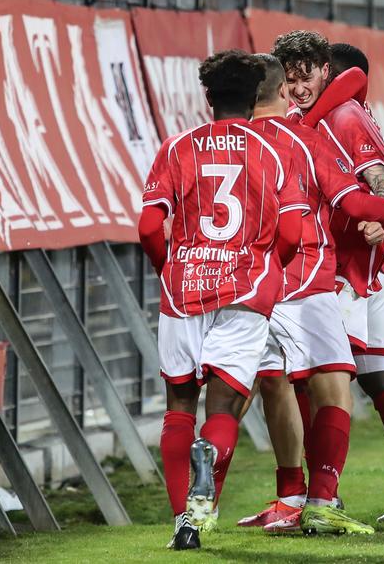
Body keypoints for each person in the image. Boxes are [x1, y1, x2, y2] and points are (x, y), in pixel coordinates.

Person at [237, 54, 384, 534]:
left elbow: (381, 181)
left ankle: (317, 497)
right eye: (290, 76)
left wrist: (383, 220)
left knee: (310, 379)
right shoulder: (324, 116)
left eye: (307, 73)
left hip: (345, 272)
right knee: (370, 376)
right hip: (354, 267)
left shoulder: (341, 116)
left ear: (328, 71)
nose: (298, 84)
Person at [139, 49, 306, 550]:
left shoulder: (176, 148)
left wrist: (168, 267)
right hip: (245, 289)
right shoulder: (276, 151)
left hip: (184, 288)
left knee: (178, 406)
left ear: (208, 97)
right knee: (224, 408)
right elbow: (294, 231)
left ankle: (183, 524)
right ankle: (208, 457)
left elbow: (150, 225)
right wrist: (267, 265)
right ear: (258, 95)